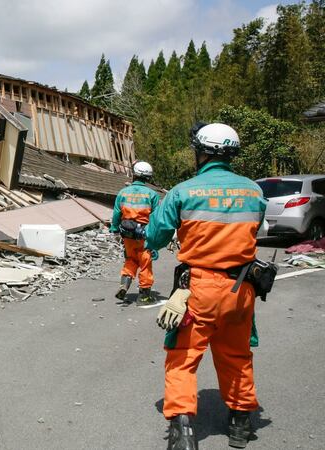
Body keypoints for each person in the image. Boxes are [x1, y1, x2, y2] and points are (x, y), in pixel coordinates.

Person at [147, 123, 266, 450]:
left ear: (200, 151)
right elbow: (259, 230)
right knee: (238, 355)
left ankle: (183, 431)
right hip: (241, 289)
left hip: (198, 288)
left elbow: (156, 235)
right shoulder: (254, 191)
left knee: (182, 358)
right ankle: (241, 425)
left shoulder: (183, 191)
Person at [110, 161, 160, 304]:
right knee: (145, 263)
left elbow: (116, 214)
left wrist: (114, 230)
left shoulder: (123, 192)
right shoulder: (152, 194)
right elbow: (156, 219)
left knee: (130, 260)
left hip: (127, 234)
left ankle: (124, 286)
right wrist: (156, 240)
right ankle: (144, 296)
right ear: (148, 178)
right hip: (144, 235)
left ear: (134, 174)